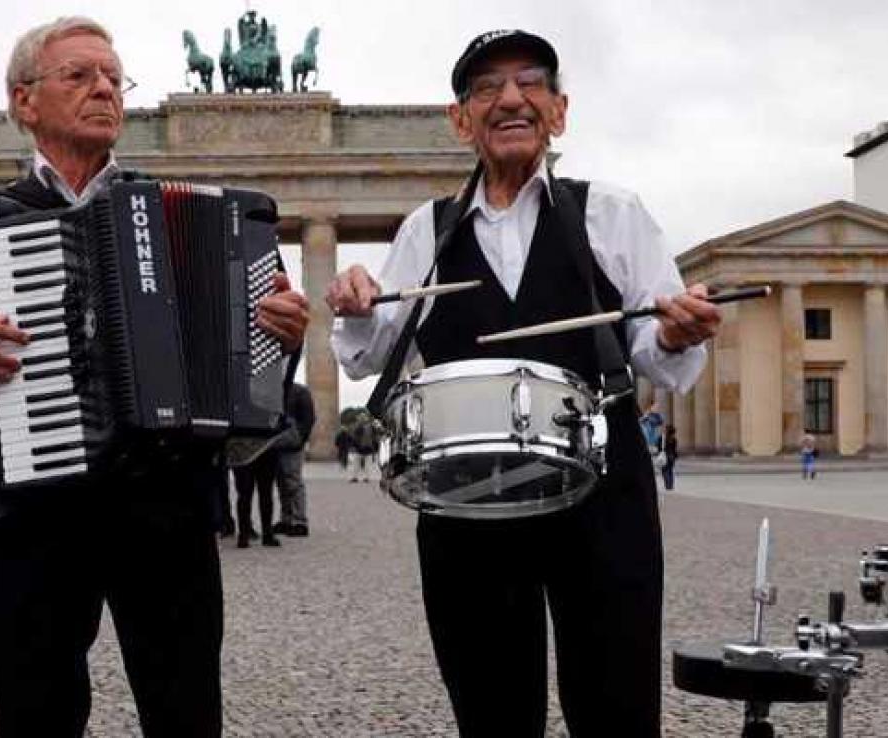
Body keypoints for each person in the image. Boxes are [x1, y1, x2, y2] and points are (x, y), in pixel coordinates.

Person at [0, 16, 308, 736]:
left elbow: (246, 368)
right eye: (79, 75)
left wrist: (276, 336)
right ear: (24, 101)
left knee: (187, 710)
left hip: (168, 506)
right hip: (37, 513)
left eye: (113, 77)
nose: (104, 88)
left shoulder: (193, 213)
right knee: (34, 712)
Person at [327, 30, 721, 736]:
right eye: (486, 88)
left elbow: (655, 355)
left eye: (531, 82)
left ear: (559, 110)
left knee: (618, 708)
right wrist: (355, 303)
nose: (511, 98)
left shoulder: (612, 211)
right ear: (460, 120)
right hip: (467, 499)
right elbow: (364, 358)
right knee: (490, 711)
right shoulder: (427, 230)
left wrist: (673, 331)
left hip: (603, 489)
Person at [273, 382, 315, 537]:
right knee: (282, 483)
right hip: (275, 443)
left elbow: (309, 418)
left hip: (292, 443)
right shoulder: (274, 389)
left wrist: (300, 438)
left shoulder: (300, 391)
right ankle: (286, 519)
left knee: (293, 481)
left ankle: (299, 521)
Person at [659, 424, 678, 491]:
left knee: (664, 470)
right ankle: (671, 485)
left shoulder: (662, 438)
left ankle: (667, 485)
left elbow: (658, 446)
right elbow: (674, 448)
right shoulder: (674, 439)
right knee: (670, 470)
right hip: (672, 456)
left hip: (665, 456)